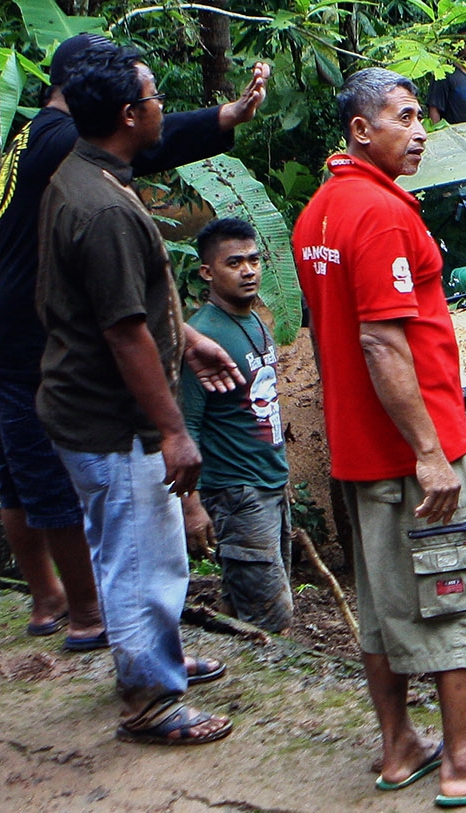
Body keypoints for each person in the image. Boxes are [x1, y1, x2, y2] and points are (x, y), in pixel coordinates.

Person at [293, 68, 466, 804]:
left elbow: (331, 341)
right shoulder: (380, 215)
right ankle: (465, 759)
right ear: (359, 129)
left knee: (384, 605)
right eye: (404, 118)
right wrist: (430, 452)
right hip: (416, 452)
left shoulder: (318, 214)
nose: (420, 132)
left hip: (359, 450)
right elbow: (381, 342)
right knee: (456, 595)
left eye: (421, 118)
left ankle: (398, 744)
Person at [0, 32, 266, 648]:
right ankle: (85, 613)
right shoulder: (63, 149)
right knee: (43, 484)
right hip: (25, 343)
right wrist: (174, 423)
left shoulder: (38, 138)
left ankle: (50, 600)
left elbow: (137, 145)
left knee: (17, 478)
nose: (148, 107)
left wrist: (223, 118)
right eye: (136, 91)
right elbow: (140, 149)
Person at [36, 44, 245, 744]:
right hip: (109, 419)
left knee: (133, 546)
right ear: (129, 114)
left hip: (86, 408)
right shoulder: (103, 209)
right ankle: (148, 699)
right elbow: (124, 331)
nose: (163, 106)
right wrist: (172, 431)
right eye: (155, 97)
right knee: (138, 554)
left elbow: (126, 307)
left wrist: (185, 340)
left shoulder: (89, 176)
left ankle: (157, 656)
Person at [179, 217, 293, 634]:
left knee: (247, 605)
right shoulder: (200, 337)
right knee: (270, 620)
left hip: (269, 484)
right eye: (234, 263)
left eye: (253, 259)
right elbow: (183, 426)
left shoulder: (255, 320)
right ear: (207, 272)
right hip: (236, 491)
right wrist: (191, 506)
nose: (248, 270)